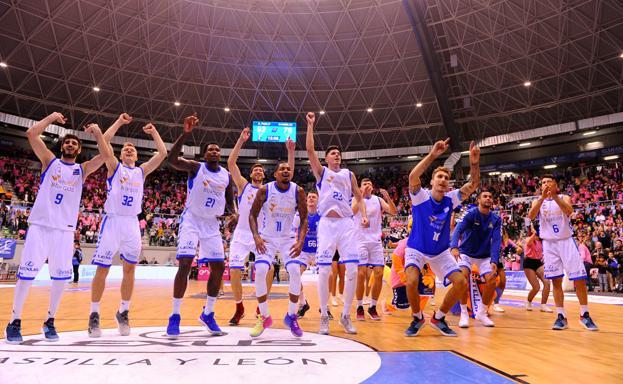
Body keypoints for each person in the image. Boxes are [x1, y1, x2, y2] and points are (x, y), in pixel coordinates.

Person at [5, 113, 104, 344]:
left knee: (60, 278)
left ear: (78, 150)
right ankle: (14, 321)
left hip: (64, 231)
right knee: (26, 276)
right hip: (40, 226)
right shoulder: (49, 162)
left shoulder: (83, 169)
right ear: (62, 146)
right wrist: (51, 117)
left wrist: (98, 133)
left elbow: (106, 156)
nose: (70, 144)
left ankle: (50, 320)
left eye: (75, 143)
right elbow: (31, 133)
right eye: (67, 142)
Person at [88, 113, 167, 338]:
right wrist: (120, 123)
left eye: (132, 148)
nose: (129, 149)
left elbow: (162, 153)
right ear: (120, 155)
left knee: (130, 269)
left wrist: (154, 133)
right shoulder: (114, 167)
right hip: (112, 220)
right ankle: (94, 314)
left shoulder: (141, 171)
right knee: (102, 268)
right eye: (125, 148)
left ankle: (123, 311)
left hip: (132, 223)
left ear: (137, 155)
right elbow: (104, 144)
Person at [165, 114, 236, 338]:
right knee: (185, 263)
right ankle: (175, 315)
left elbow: (230, 198)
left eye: (217, 150)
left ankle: (208, 312)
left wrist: (234, 213)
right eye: (210, 150)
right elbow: (172, 160)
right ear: (204, 154)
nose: (214, 152)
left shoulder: (226, 175)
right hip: (192, 219)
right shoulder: (196, 168)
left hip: (211, 224)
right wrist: (185, 134)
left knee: (218, 267)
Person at [404, 139, 480, 337]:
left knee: (461, 282)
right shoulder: (421, 197)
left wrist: (474, 163)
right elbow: (413, 176)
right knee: (411, 281)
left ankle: (438, 317)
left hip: (439, 251)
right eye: (439, 176)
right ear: (431, 181)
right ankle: (417, 317)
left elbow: (473, 184)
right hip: (417, 248)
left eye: (446, 178)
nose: (443, 180)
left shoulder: (451, 198)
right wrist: (433, 155)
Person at [305, 112, 368, 335]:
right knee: (324, 272)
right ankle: (323, 315)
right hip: (327, 225)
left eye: (339, 154)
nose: (337, 156)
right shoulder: (321, 173)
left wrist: (358, 213)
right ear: (327, 158)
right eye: (333, 154)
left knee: (352, 269)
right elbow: (310, 150)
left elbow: (359, 196)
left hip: (346, 225)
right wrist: (311, 125)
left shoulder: (349, 174)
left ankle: (346, 315)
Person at [226, 127, 294, 326]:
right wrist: (240, 140)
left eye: (260, 169)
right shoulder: (243, 186)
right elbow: (231, 163)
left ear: (264, 175)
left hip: (261, 234)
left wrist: (290, 152)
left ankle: (260, 306)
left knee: (270, 269)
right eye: (254, 169)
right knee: (235, 270)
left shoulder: (270, 190)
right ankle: (239, 307)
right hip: (241, 233)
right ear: (251, 173)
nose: (257, 170)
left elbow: (288, 173)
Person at [527, 174, 598, 331]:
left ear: (555, 184)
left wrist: (554, 197)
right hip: (549, 245)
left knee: (579, 279)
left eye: (548, 182)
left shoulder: (564, 197)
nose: (545, 184)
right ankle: (561, 316)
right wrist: (542, 199)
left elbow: (569, 211)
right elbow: (531, 216)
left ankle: (584, 314)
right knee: (556, 281)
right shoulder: (537, 201)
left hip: (566, 241)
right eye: (542, 182)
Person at [248, 162, 308, 337]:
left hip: (288, 239)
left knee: (295, 272)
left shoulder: (298, 191)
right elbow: (252, 214)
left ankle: (291, 316)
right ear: (275, 174)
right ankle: (264, 316)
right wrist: (256, 237)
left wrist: (300, 241)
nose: (286, 171)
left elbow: (304, 219)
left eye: (288, 169)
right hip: (267, 237)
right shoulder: (265, 190)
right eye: (282, 169)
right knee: (260, 271)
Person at [450, 190, 499, 328]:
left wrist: (494, 260)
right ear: (479, 200)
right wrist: (454, 246)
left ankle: (481, 313)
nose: (488, 198)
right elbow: (458, 230)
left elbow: (496, 241)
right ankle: (464, 312)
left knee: (492, 280)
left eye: (490, 196)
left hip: (484, 256)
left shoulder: (496, 219)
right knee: (463, 278)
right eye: (485, 196)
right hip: (465, 252)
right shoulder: (471, 214)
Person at [353, 179, 397, 321]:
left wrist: (388, 199)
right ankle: (359, 306)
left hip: (375, 241)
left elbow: (394, 212)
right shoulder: (356, 198)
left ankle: (372, 306)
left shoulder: (378, 200)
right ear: (360, 187)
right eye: (365, 184)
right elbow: (352, 212)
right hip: (360, 240)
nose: (368, 186)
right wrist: (360, 195)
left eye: (370, 184)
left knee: (378, 274)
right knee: (361, 274)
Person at [296, 191, 321, 317]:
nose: (311, 198)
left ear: (318, 200)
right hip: (304, 251)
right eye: (309, 197)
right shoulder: (300, 214)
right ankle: (303, 302)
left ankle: (324, 307)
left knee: (326, 277)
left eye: (314, 197)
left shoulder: (322, 215)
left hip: (319, 250)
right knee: (295, 276)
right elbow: (293, 229)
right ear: (306, 200)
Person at [522, 224, 552, 312]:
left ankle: (543, 305)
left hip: (538, 262)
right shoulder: (529, 238)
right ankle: (528, 301)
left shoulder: (542, 241)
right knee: (536, 287)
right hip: (528, 263)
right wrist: (534, 232)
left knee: (547, 282)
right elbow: (528, 243)